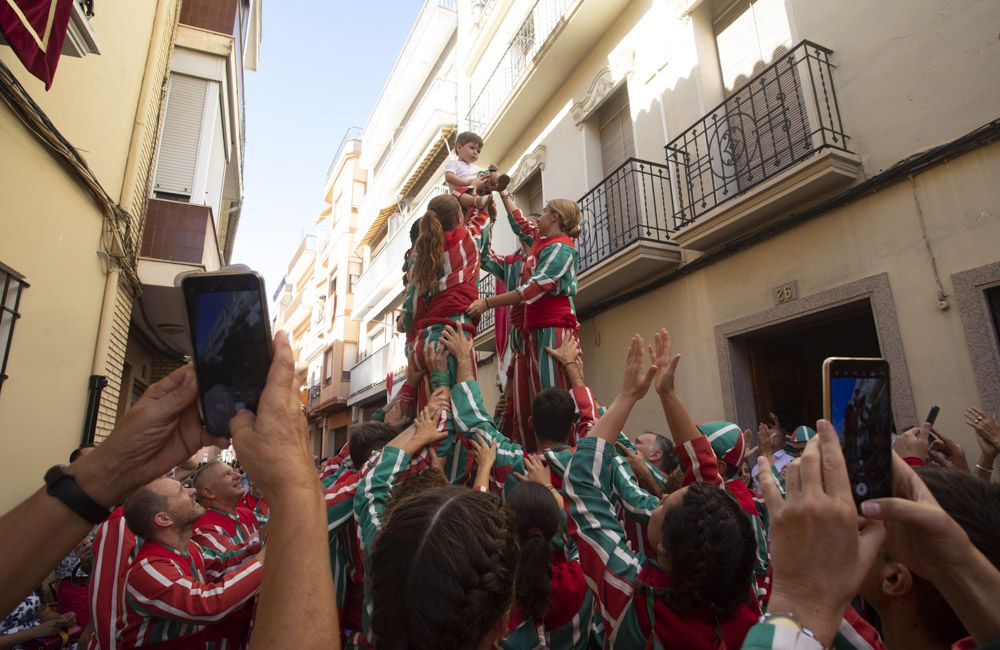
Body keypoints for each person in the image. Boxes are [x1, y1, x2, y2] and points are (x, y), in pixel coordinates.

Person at [564, 331, 759, 648]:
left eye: (664, 505)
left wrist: (627, 396)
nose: (664, 495)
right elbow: (706, 479)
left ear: (665, 548)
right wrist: (667, 393)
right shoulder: (739, 591)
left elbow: (584, 479)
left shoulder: (637, 605)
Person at [400, 194, 493, 482]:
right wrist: (475, 194)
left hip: (425, 341)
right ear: (460, 218)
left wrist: (406, 325)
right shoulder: (471, 240)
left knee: (429, 411)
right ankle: (454, 482)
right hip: (456, 334)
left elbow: (409, 314)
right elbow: (486, 213)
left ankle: (424, 476)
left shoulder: (418, 256)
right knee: (461, 407)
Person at [120, 476, 264, 647]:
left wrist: (268, 539)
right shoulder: (149, 569)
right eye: (181, 490)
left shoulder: (190, 547)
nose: (193, 490)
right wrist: (265, 560)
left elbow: (225, 562)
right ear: (164, 519)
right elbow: (209, 605)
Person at [466, 194, 584, 400]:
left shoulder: (560, 248)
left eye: (545, 212)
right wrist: (502, 194)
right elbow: (520, 224)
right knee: (540, 395)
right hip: (534, 328)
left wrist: (487, 303)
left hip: (553, 326)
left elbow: (533, 288)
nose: (539, 219)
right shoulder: (544, 243)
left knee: (554, 396)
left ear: (555, 217)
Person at [500, 478, 596, 648]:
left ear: (507, 531)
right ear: (556, 528)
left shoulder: (495, 593)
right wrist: (549, 487)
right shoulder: (580, 577)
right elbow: (582, 537)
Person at [480, 204, 538, 449]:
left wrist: (487, 302)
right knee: (515, 409)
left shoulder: (547, 253)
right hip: (519, 346)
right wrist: (488, 222)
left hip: (543, 335)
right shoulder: (511, 262)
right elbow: (484, 258)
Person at [192, 461, 261, 580]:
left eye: (234, 471)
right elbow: (230, 566)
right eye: (227, 474)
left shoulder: (246, 513)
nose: (238, 475)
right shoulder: (204, 526)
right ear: (208, 492)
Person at [444, 130, 508, 210]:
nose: (475, 152)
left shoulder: (477, 168)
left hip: (480, 191)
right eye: (472, 148)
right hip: (464, 194)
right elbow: (449, 177)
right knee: (460, 193)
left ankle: (497, 184)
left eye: (478, 151)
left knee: (488, 174)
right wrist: (468, 182)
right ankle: (477, 200)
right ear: (459, 147)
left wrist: (492, 171)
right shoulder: (454, 163)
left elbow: (482, 177)